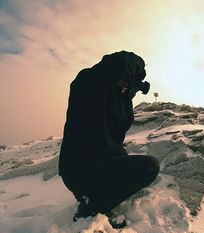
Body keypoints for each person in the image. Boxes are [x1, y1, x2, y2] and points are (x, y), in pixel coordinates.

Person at [59, 51, 159, 220]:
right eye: (126, 80)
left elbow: (117, 131)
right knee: (149, 166)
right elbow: (106, 76)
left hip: (96, 166)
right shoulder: (88, 82)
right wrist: (123, 79)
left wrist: (127, 94)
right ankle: (92, 209)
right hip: (79, 169)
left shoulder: (116, 99)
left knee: (134, 163)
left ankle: (90, 196)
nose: (126, 86)